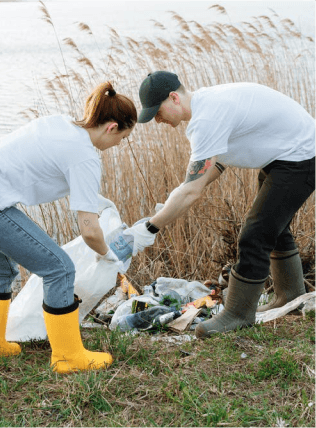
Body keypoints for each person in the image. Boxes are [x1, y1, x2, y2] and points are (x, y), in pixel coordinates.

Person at [0, 82, 136, 371]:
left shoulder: (62, 124)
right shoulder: (85, 155)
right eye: (123, 137)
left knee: (2, 270)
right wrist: (108, 256)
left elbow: (52, 170)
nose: (119, 144)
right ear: (111, 127)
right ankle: (68, 357)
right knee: (59, 269)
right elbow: (89, 229)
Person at [124, 71, 315, 338]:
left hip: (301, 156)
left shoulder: (206, 118)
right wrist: (177, 197)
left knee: (255, 235)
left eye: (158, 111)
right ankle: (291, 296)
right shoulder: (208, 104)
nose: (157, 119)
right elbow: (210, 169)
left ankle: (238, 314)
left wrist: (150, 229)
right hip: (286, 154)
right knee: (274, 228)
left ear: (174, 98)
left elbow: (192, 191)